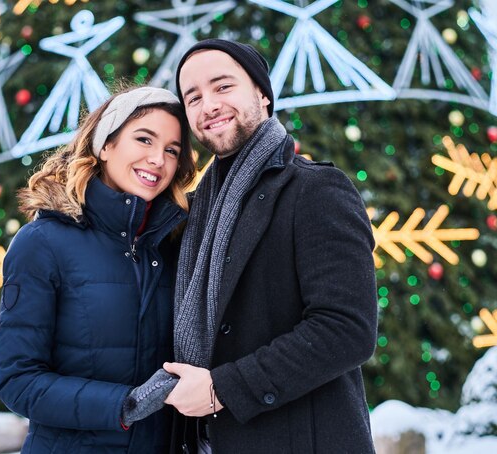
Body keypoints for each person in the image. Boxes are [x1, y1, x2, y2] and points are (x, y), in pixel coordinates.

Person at [163, 39, 379, 453]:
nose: (208, 105)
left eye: (222, 87)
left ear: (262, 94)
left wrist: (221, 389)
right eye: (193, 97)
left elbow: (347, 329)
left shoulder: (315, 190)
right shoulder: (190, 215)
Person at [0, 86, 196, 453]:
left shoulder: (174, 246)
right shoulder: (42, 243)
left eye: (171, 150)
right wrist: (124, 404)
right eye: (144, 139)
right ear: (105, 146)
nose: (158, 159)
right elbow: (18, 382)